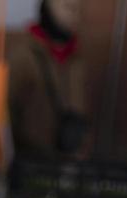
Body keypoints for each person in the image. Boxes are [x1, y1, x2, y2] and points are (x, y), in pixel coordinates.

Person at [8, 0, 88, 159]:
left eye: (78, 9)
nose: (74, 15)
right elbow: (7, 111)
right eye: (67, 6)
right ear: (47, 8)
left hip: (67, 157)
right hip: (30, 158)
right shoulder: (23, 55)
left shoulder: (77, 58)